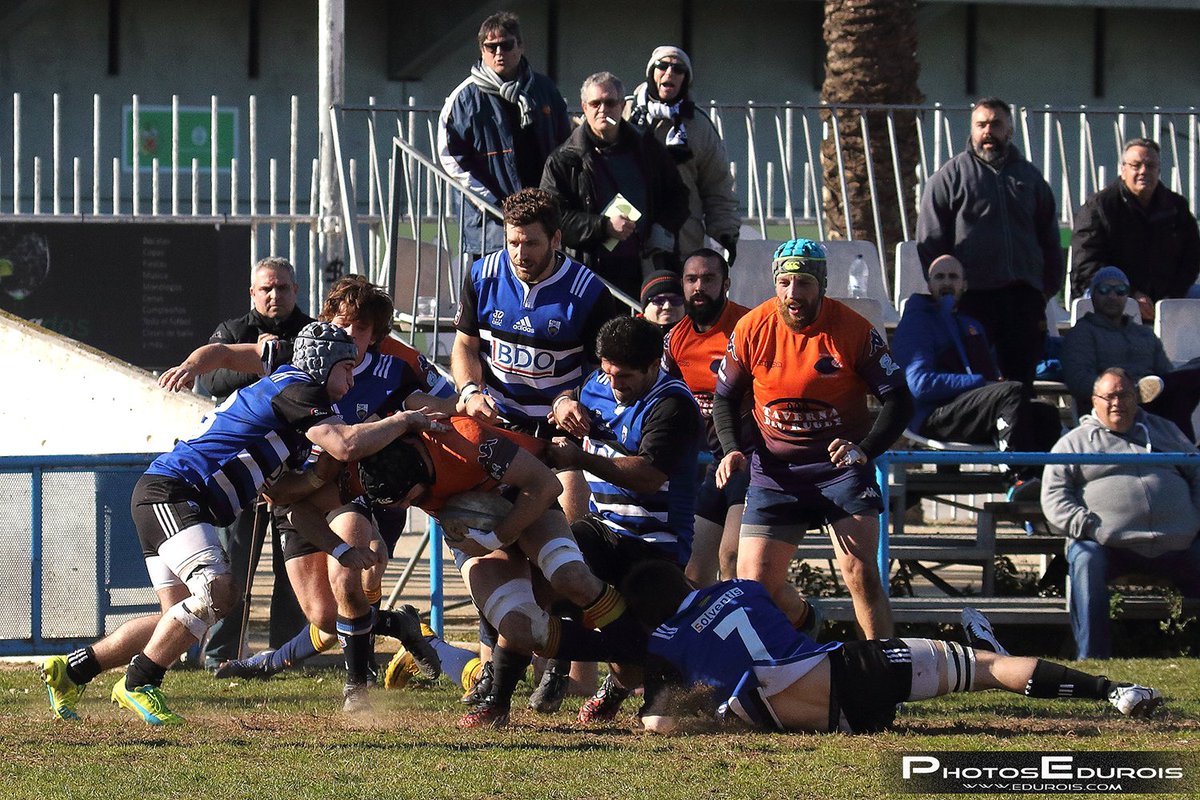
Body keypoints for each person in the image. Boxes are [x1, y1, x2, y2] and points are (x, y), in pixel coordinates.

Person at [40, 323, 428, 724]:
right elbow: (345, 444)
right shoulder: (301, 387)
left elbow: (285, 499)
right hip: (176, 492)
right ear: (323, 364)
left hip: (168, 492)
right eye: (347, 368)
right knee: (219, 590)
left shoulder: (293, 409)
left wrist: (339, 540)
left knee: (176, 621)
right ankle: (139, 681)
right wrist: (404, 421)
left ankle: (73, 670)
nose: (352, 379)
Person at [210, 276, 457, 702]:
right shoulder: (301, 353)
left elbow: (450, 401)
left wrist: (420, 413)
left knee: (352, 574)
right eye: (341, 324)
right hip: (295, 494)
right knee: (325, 617)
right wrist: (195, 364)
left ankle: (357, 687)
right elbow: (233, 358)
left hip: (349, 492)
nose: (349, 334)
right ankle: (402, 627)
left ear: (375, 334)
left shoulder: (397, 366)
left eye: (360, 328)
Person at [620, 560, 1163, 735]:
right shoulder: (740, 587)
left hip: (802, 719)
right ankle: (1113, 691)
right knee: (987, 669)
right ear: (686, 582)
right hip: (845, 673)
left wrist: (708, 708)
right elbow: (786, 622)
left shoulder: (664, 643)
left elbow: (658, 723)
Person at [357, 413, 647, 729]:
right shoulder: (371, 462)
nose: (404, 507)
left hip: (524, 499)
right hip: (468, 530)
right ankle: (498, 703)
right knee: (518, 626)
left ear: (418, 467)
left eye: (406, 498)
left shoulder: (467, 440)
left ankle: (645, 650)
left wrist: (497, 537)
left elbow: (547, 485)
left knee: (570, 577)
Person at [712, 239, 912, 641]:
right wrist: (732, 448)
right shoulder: (752, 327)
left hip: (840, 469)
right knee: (753, 583)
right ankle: (804, 621)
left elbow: (900, 399)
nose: (793, 293)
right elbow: (725, 398)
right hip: (776, 472)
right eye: (784, 282)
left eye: (803, 282)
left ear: (821, 284)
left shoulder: (853, 330)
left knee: (860, 572)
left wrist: (865, 450)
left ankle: (886, 665)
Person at [542, 315, 701, 722]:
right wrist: (562, 404)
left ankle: (624, 685)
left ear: (653, 365)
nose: (614, 384)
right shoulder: (599, 382)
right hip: (605, 529)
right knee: (553, 562)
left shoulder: (673, 404)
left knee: (659, 717)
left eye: (625, 376)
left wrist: (579, 458)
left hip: (655, 545)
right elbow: (572, 393)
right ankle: (501, 691)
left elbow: (647, 476)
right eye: (608, 372)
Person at [198, 256, 312, 670]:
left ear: (295, 290)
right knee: (234, 564)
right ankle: (221, 653)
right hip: (240, 466)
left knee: (293, 567)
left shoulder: (311, 332)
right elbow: (210, 380)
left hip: (293, 465)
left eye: (282, 288)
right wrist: (260, 360)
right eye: (266, 288)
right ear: (253, 292)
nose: (274, 295)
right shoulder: (233, 332)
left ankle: (286, 654)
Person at [1041, 367, 1200, 660]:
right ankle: (1092, 658)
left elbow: (1197, 473)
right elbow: (1054, 498)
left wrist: (1193, 519)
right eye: (1109, 397)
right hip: (1107, 546)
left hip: (1178, 543)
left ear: (1136, 398)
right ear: (1095, 401)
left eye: (1124, 395)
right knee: (1085, 559)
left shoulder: (1167, 432)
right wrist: (1090, 527)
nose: (1117, 403)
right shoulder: (1074, 443)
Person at [917, 97, 1064, 386]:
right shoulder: (950, 177)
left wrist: (1044, 291)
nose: (988, 131)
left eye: (996, 124)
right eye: (981, 124)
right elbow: (930, 241)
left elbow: (1049, 240)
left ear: (1009, 131)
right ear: (972, 129)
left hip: (1023, 300)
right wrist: (948, 289)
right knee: (974, 382)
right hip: (972, 300)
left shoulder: (1031, 179)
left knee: (1020, 385)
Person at [892, 253, 1060, 492]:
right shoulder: (917, 322)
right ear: (929, 285)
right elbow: (919, 385)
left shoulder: (972, 326)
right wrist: (979, 382)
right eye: (939, 277)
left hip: (968, 411)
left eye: (953, 277)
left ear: (964, 285)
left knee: (1044, 412)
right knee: (1011, 392)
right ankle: (1018, 478)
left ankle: (1046, 487)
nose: (946, 282)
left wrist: (988, 382)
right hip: (932, 417)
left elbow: (991, 381)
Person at [541, 71, 689, 302]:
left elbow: (678, 196)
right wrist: (604, 226)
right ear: (584, 107)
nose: (603, 109)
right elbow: (552, 219)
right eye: (595, 103)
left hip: (644, 269)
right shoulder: (564, 159)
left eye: (610, 103)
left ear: (622, 106)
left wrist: (661, 230)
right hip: (588, 273)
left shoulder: (648, 148)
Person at [437, 11, 571, 261]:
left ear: (520, 46)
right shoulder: (464, 98)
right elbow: (452, 159)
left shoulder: (544, 89)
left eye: (506, 45)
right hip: (490, 222)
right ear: (482, 50)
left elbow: (565, 147)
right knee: (492, 282)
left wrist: (555, 199)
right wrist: (493, 202)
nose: (499, 53)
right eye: (491, 47)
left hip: (542, 215)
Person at [662, 248, 752, 586]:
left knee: (734, 560)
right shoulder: (675, 338)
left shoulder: (749, 328)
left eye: (709, 278)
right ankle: (802, 613)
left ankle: (766, 620)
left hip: (756, 460)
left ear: (726, 283)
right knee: (695, 573)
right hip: (718, 463)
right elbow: (663, 397)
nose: (699, 286)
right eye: (691, 279)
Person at [627, 46, 739, 265]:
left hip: (682, 240)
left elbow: (718, 185)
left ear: (686, 79)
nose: (669, 73)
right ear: (651, 72)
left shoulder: (699, 125)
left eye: (678, 69)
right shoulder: (624, 112)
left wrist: (725, 232)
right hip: (629, 235)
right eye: (662, 66)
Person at [1061, 266, 1200, 441]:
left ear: (1127, 296)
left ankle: (1183, 448)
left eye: (1120, 290)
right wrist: (1125, 391)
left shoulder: (1144, 334)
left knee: (1187, 378)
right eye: (1104, 290)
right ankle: (1182, 448)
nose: (1112, 296)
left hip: (1154, 402)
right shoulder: (1082, 333)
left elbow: (1165, 376)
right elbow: (1078, 379)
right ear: (1093, 295)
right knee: (1177, 398)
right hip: (1115, 404)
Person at [1071, 137, 1200, 321]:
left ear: (1159, 171)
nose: (1143, 171)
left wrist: (1171, 295)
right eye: (1136, 165)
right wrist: (1129, 293)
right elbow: (1087, 265)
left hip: (1166, 294)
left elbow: (1192, 259)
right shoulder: (1099, 207)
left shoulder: (1176, 207)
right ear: (1123, 170)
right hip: (1110, 290)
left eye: (1150, 166)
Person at [639, 269, 685, 335]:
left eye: (675, 300)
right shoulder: (631, 337)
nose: (667, 306)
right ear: (645, 309)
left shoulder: (698, 336)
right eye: (659, 300)